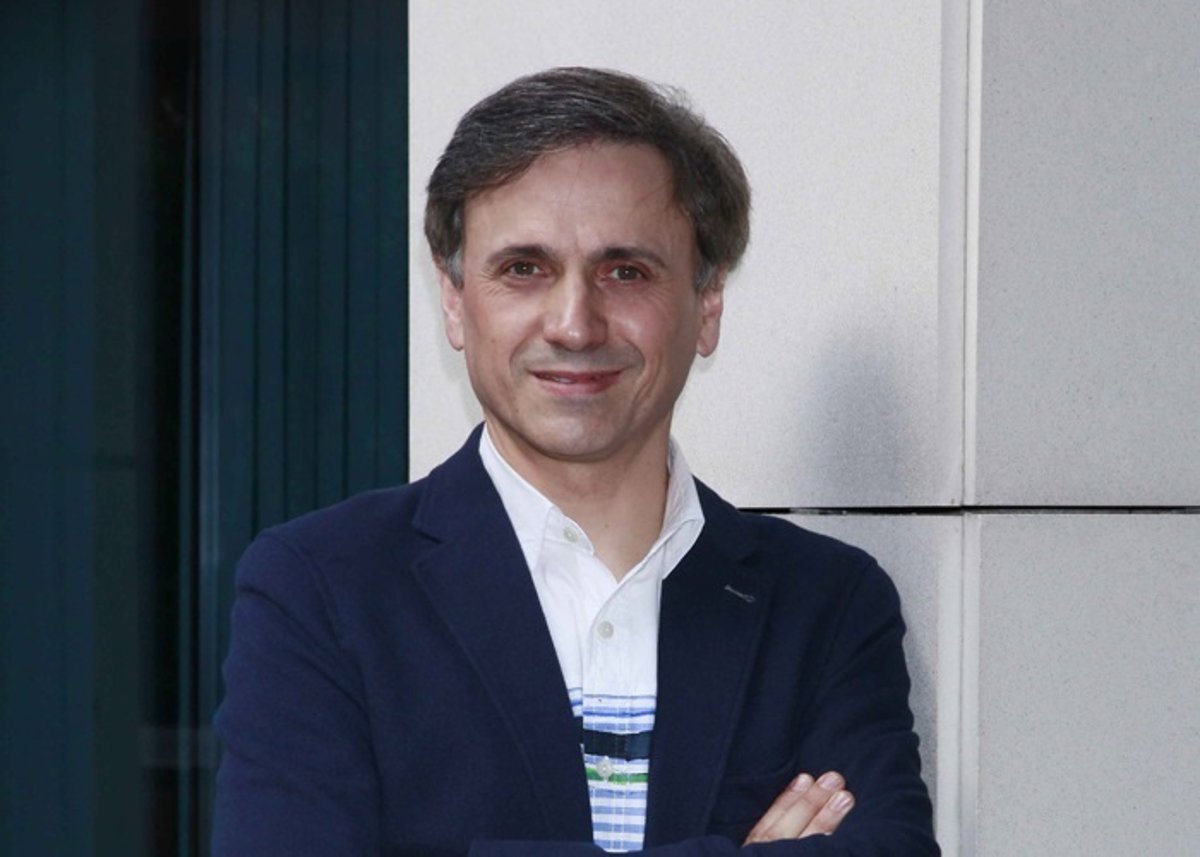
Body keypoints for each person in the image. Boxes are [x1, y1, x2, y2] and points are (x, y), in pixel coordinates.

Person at [213, 67, 938, 856]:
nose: (573, 323)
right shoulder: (323, 590)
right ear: (454, 300)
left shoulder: (827, 606)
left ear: (707, 303)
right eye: (523, 269)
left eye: (625, 271)